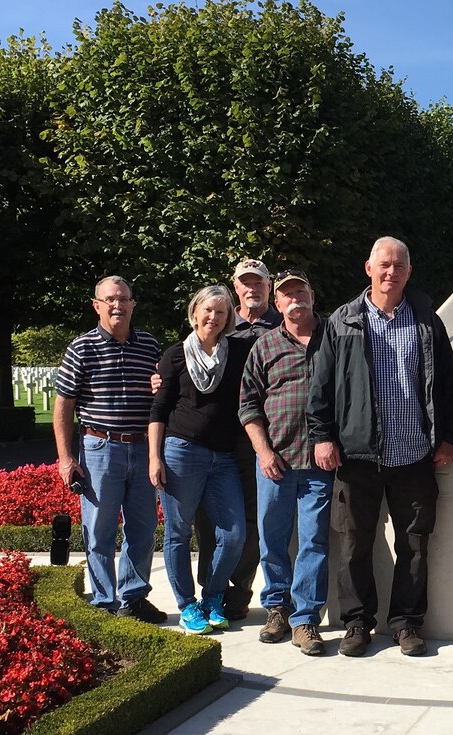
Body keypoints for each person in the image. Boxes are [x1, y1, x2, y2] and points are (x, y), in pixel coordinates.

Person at [308, 236, 453, 658]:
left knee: (414, 544)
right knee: (355, 542)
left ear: (408, 273)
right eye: (384, 264)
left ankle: (407, 624)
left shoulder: (426, 321)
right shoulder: (342, 321)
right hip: (357, 455)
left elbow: (448, 384)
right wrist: (322, 436)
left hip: (414, 454)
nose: (390, 272)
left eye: (399, 266)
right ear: (369, 268)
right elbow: (320, 386)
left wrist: (448, 436)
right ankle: (357, 623)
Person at [54, 275, 167, 623]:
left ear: (133, 304)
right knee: (100, 529)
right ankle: (104, 600)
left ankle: (133, 597)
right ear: (97, 305)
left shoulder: (149, 346)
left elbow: (162, 393)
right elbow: (63, 405)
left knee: (143, 529)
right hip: (100, 448)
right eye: (110, 299)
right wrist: (66, 458)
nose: (117, 305)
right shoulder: (81, 348)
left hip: (142, 446)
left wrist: (159, 383)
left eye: (124, 299)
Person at [149, 285, 253, 635]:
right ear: (195, 313)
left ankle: (212, 596)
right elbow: (159, 409)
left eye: (221, 313)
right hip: (181, 452)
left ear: (228, 319)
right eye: (207, 311)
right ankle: (186, 604)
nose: (213, 317)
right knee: (178, 533)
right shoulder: (175, 355)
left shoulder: (239, 351)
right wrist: (154, 458)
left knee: (235, 533)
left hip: (223, 457)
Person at [239, 269, 332, 656]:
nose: (295, 298)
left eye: (301, 291)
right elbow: (247, 405)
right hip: (275, 463)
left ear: (312, 295)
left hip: (319, 463)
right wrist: (263, 451)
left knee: (314, 541)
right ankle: (277, 608)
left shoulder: (334, 338)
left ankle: (306, 620)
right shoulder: (264, 346)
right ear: (277, 304)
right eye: (287, 294)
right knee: (272, 540)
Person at [194, 258, 283, 621]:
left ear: (269, 288)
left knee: (251, 519)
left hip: (262, 439)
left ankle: (239, 590)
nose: (252, 289)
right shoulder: (221, 328)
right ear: (236, 289)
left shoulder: (285, 327)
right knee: (208, 517)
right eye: (245, 283)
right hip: (219, 437)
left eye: (259, 282)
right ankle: (210, 586)